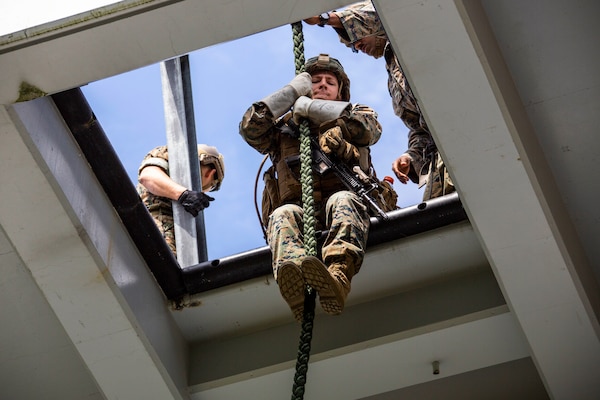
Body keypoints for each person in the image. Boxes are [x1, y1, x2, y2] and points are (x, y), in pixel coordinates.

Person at [239, 53, 396, 322]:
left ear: (340, 90)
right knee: (281, 215)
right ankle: (296, 282)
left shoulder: (355, 115)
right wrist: (289, 95)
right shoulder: (284, 128)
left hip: (349, 210)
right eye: (315, 81)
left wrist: (325, 122)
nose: (322, 85)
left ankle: (337, 278)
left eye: (330, 81)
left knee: (343, 199)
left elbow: (369, 130)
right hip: (301, 214)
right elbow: (250, 129)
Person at [305, 2, 455, 200]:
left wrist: (326, 19)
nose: (356, 45)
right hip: (442, 163)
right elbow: (421, 130)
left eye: (355, 36)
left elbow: (382, 14)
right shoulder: (394, 77)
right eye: (352, 45)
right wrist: (411, 157)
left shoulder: (411, 38)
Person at [137, 144, 225, 256]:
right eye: (210, 186)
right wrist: (183, 195)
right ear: (210, 174)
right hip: (152, 229)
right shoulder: (172, 154)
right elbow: (148, 176)